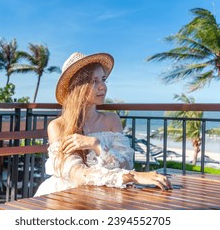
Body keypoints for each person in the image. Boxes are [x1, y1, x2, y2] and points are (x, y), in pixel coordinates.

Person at [34, 52, 172, 197]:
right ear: (77, 87)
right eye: (94, 81)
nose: (103, 87)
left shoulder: (112, 119)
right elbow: (78, 175)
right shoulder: (58, 126)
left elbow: (126, 164)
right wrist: (134, 177)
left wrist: (97, 145)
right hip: (65, 196)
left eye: (103, 79)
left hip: (105, 194)